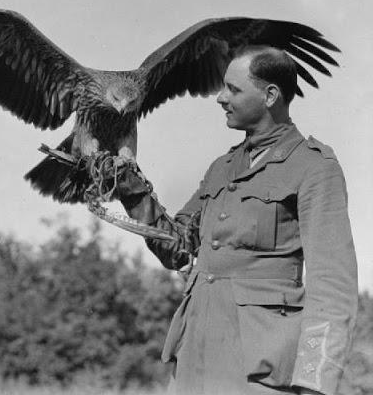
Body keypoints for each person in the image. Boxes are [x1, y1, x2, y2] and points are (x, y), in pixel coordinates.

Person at [116, 45, 358, 395]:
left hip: (258, 374)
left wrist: (314, 383)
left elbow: (332, 286)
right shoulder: (222, 167)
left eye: (233, 89)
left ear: (270, 96)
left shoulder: (314, 168)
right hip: (193, 364)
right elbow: (178, 249)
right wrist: (130, 188)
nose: (220, 97)